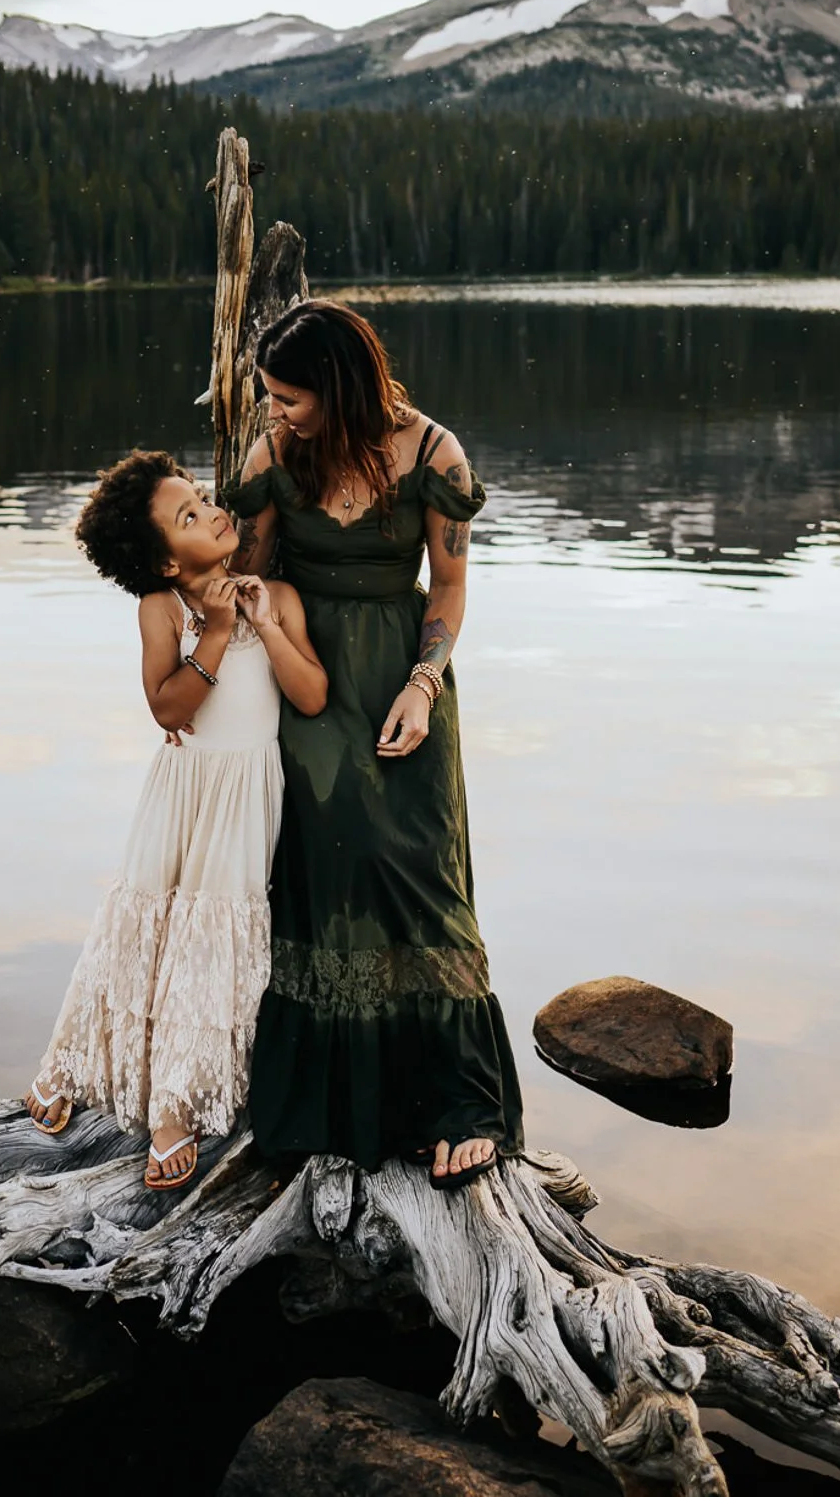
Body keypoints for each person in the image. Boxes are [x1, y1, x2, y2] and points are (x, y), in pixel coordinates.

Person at [227, 300, 525, 1190]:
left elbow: (451, 584)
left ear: (341, 386)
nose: (275, 413)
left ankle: (461, 1102)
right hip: (310, 678)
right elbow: (241, 575)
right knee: (330, 867)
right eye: (270, 398)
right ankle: (330, 1103)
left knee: (420, 869)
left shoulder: (435, 454)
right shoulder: (276, 456)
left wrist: (424, 685)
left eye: (289, 397)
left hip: (406, 680)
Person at [27, 450, 328, 1190]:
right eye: (189, 515)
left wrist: (263, 622)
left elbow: (313, 695)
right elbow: (168, 709)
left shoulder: (277, 595)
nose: (213, 509)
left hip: (243, 800)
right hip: (183, 792)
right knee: (143, 930)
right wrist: (218, 633)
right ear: (165, 561)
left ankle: (175, 1108)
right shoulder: (163, 610)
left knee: (208, 947)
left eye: (201, 497)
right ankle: (68, 1066)